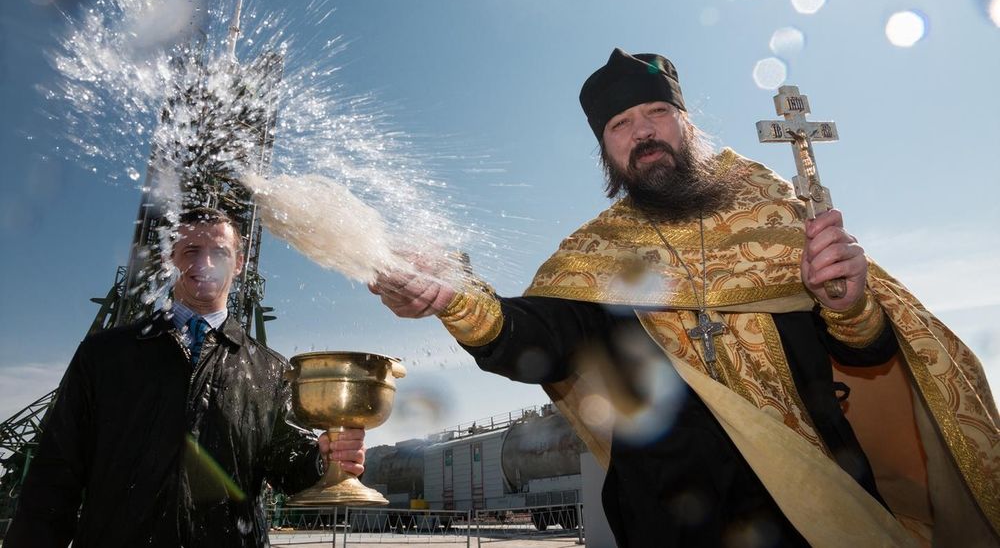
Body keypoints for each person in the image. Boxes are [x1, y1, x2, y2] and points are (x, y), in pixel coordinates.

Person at [370, 49, 999, 547]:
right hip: (668, 518)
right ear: (606, 152)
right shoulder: (592, 256)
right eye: (621, 124)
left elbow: (865, 356)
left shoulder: (779, 214)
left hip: (817, 507)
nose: (642, 133)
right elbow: (536, 337)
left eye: (655, 114)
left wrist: (850, 308)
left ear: (685, 123)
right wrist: (453, 298)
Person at [6, 206, 366, 548]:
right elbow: (53, 477)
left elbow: (288, 469)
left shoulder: (270, 370)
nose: (205, 264)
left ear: (239, 263)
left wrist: (326, 459)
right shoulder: (104, 355)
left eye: (220, 252)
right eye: (191, 250)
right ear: (170, 260)